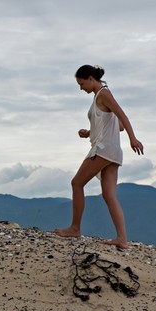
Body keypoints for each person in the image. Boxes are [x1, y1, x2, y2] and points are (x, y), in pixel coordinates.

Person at [54, 65, 144, 250]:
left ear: (90, 79)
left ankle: (75, 228)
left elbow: (122, 116)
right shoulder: (100, 96)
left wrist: (133, 138)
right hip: (112, 151)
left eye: (81, 84)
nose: (81, 88)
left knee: (76, 183)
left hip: (103, 149)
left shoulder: (103, 93)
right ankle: (122, 239)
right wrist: (89, 132)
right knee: (109, 194)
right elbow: (115, 126)